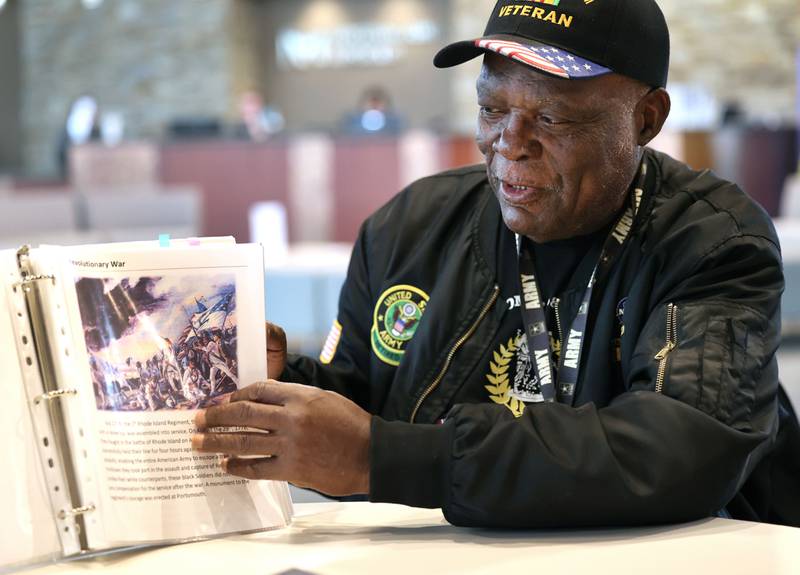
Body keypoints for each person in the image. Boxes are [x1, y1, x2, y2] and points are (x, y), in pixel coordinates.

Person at [193, 0, 792, 527]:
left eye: (552, 117)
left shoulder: (713, 242)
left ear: (646, 119)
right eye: (491, 109)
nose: (510, 140)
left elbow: (679, 449)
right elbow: (363, 399)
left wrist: (384, 459)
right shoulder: (410, 227)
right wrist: (282, 382)